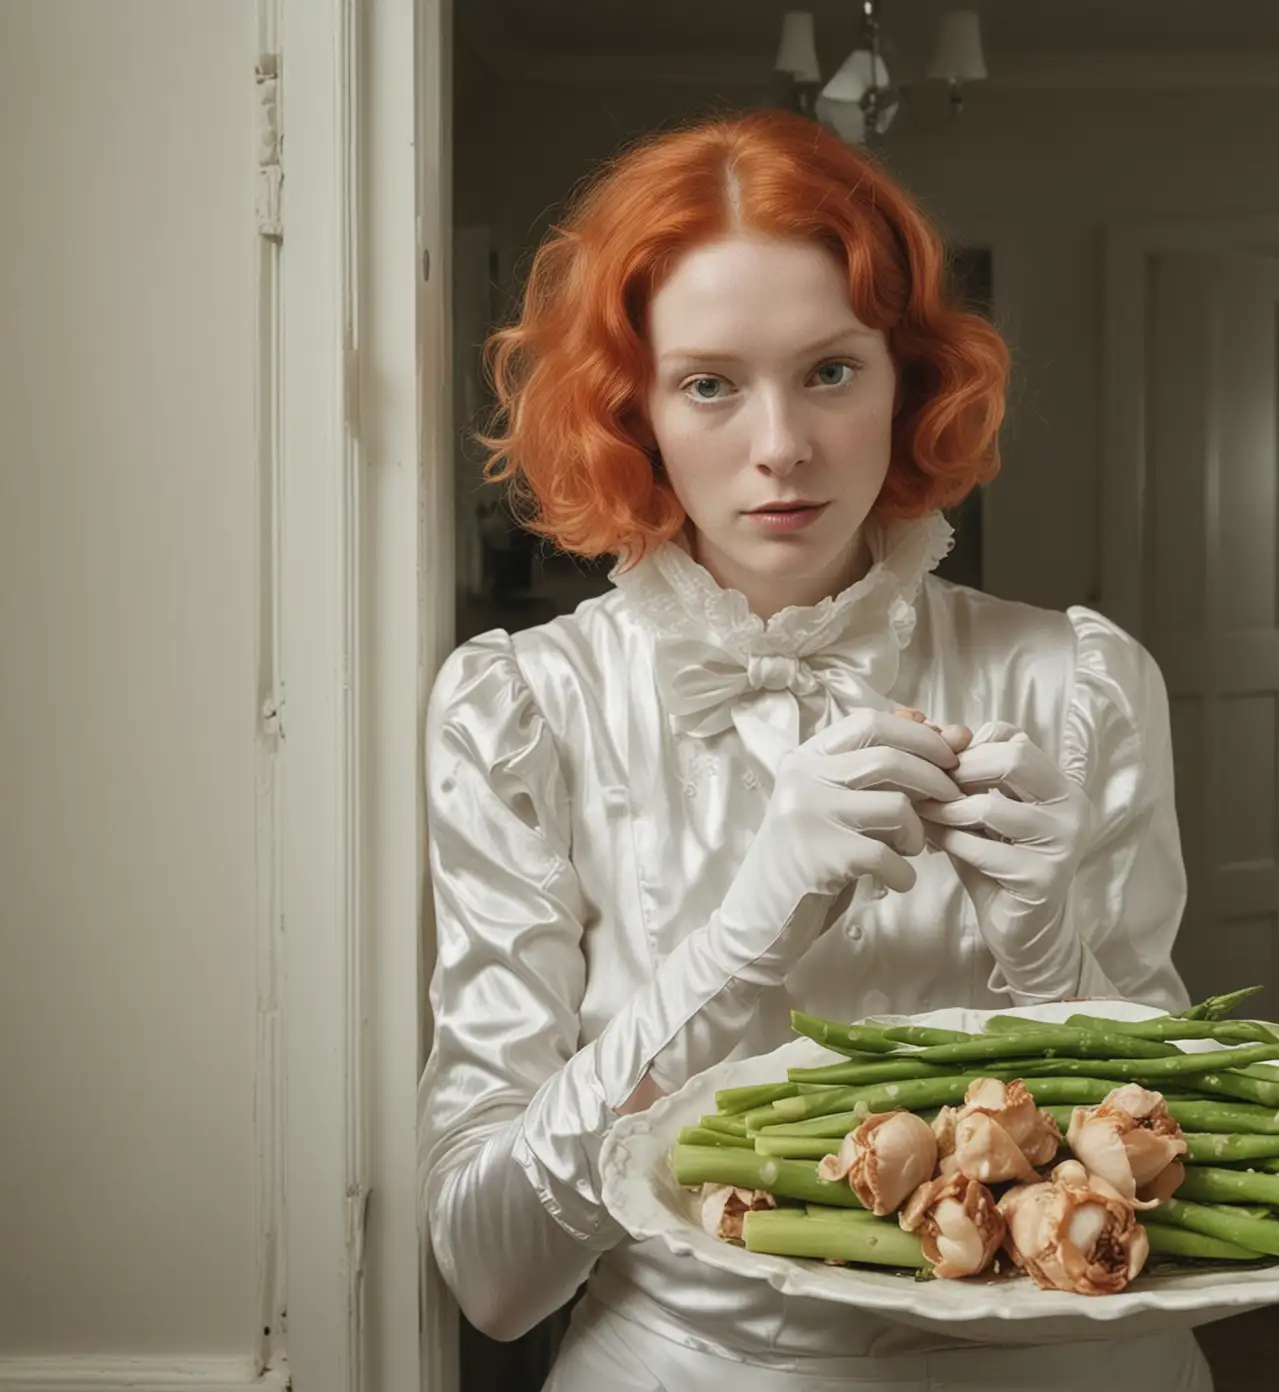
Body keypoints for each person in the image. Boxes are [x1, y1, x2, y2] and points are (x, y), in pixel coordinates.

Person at [417, 109, 1208, 1391]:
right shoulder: (524, 710)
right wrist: (733, 944)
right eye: (711, 382)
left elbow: (1179, 1188)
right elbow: (492, 1276)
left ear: (910, 380)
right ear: (636, 409)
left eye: (830, 371)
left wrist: (1053, 960)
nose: (779, 445)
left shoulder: (1080, 684)